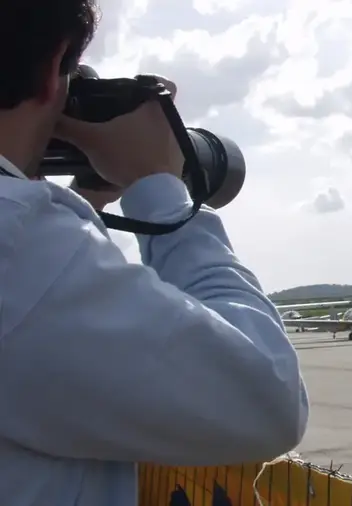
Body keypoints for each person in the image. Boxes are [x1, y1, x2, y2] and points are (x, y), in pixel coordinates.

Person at [0, 1, 309, 504]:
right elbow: (270, 398)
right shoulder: (19, 247)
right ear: (51, 68)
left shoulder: (27, 252)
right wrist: (161, 189)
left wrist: (81, 207)